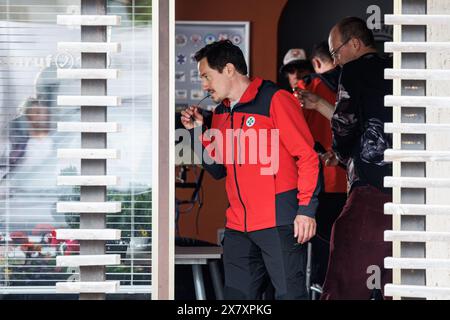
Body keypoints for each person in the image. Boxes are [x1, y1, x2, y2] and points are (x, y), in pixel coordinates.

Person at [180, 40, 321, 300]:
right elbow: (217, 169)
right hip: (238, 227)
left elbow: (308, 157)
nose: (204, 85)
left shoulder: (276, 99)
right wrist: (198, 132)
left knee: (290, 297)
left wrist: (306, 211)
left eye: (206, 76)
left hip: (280, 221)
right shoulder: (220, 112)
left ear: (229, 69)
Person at [298, 17, 393, 299]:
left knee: (345, 280)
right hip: (408, 191)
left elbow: (344, 125)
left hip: (369, 188)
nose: (336, 61)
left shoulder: (352, 71)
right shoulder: (393, 69)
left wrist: (340, 152)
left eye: (336, 53)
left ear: (354, 43)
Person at [295, 42, 347, 288]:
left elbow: (296, 135)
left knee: (320, 250)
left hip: (319, 181)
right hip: (351, 179)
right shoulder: (351, 84)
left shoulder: (307, 88)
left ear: (316, 63)